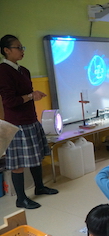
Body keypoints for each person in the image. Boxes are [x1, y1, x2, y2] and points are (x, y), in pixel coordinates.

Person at [0, 34, 58, 209]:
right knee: (18, 163)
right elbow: (9, 101)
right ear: (6, 50)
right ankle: (21, 198)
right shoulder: (3, 71)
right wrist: (31, 96)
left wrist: (32, 96)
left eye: (22, 47)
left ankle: (39, 187)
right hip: (16, 124)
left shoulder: (23, 70)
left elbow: (26, 96)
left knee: (36, 156)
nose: (22, 51)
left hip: (30, 119)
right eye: (18, 47)